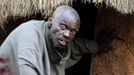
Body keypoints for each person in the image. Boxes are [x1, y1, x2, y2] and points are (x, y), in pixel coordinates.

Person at [0, 5, 115, 75]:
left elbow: (76, 46)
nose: (67, 34)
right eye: (63, 26)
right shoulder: (30, 35)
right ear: (50, 21)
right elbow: (27, 68)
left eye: (73, 32)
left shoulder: (60, 40)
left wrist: (97, 46)